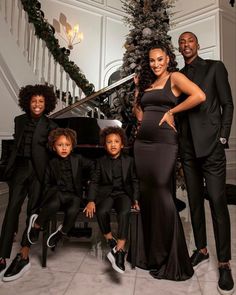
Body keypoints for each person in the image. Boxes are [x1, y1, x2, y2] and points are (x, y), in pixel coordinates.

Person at [132, 42, 206, 281]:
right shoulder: (148, 84)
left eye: (160, 59)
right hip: (142, 144)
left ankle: (172, 260)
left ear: (168, 59)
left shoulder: (174, 78)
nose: (156, 64)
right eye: (152, 60)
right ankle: (149, 256)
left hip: (164, 144)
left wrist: (173, 112)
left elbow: (199, 96)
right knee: (147, 196)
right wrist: (136, 92)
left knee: (163, 194)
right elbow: (140, 115)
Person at [178, 31, 234, 294]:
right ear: (178, 49)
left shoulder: (214, 68)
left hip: (212, 147)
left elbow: (227, 104)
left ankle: (224, 263)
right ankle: (200, 249)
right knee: (194, 202)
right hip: (187, 149)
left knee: (218, 203)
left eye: (189, 40)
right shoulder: (176, 76)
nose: (185, 44)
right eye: (181, 42)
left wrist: (223, 137)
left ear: (197, 45)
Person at [0, 84, 58, 281]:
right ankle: (2, 255)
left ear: (47, 104)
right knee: (12, 210)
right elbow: (15, 145)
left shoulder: (51, 126)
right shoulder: (19, 120)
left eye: (41, 101)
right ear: (27, 102)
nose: (37, 104)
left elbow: (53, 154)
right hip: (20, 170)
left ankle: (23, 255)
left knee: (33, 212)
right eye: (33, 101)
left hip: (39, 173)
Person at [84, 126, 140, 274]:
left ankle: (120, 250)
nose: (113, 144)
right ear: (104, 144)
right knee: (101, 211)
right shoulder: (100, 161)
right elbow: (94, 181)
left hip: (123, 194)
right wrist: (90, 200)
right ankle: (109, 239)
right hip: (107, 194)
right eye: (109, 142)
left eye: (116, 141)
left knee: (124, 212)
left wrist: (135, 198)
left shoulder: (130, 160)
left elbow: (134, 180)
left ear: (122, 144)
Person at [27, 128, 94, 248]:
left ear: (72, 146)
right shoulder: (51, 162)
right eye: (60, 145)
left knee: (73, 211)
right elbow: (46, 183)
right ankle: (36, 225)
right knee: (53, 204)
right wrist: (45, 199)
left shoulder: (78, 159)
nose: (64, 148)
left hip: (74, 195)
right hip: (58, 194)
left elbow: (94, 165)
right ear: (54, 147)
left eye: (67, 145)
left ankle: (61, 232)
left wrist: (90, 179)